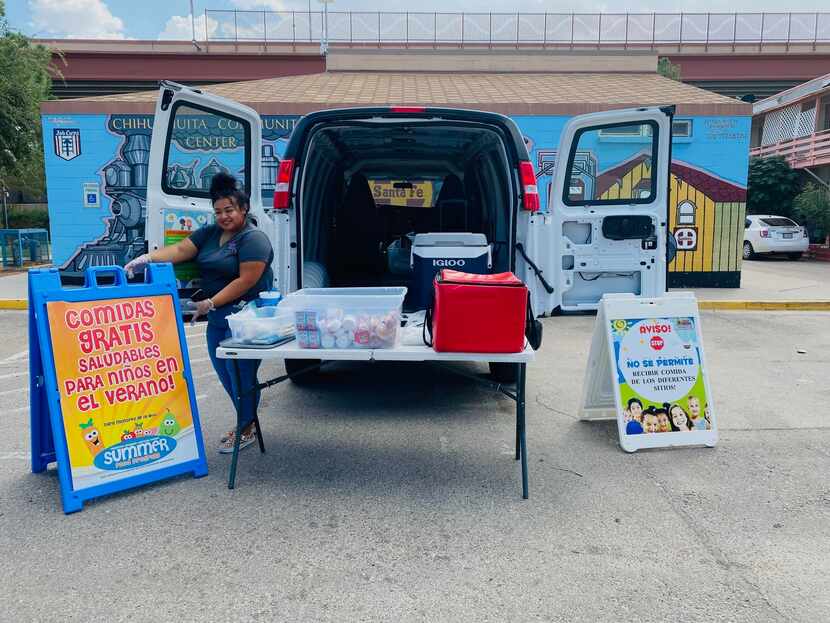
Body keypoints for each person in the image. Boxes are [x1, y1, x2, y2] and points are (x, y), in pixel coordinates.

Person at [125, 172, 274, 453]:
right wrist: (147, 258)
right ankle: (247, 421)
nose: (223, 216)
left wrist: (211, 302)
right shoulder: (210, 233)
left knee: (241, 374)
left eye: (229, 210)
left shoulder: (253, 239)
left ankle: (245, 427)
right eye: (218, 211)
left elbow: (246, 280)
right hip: (218, 318)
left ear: (243, 208)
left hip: (246, 320)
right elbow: (181, 249)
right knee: (226, 376)